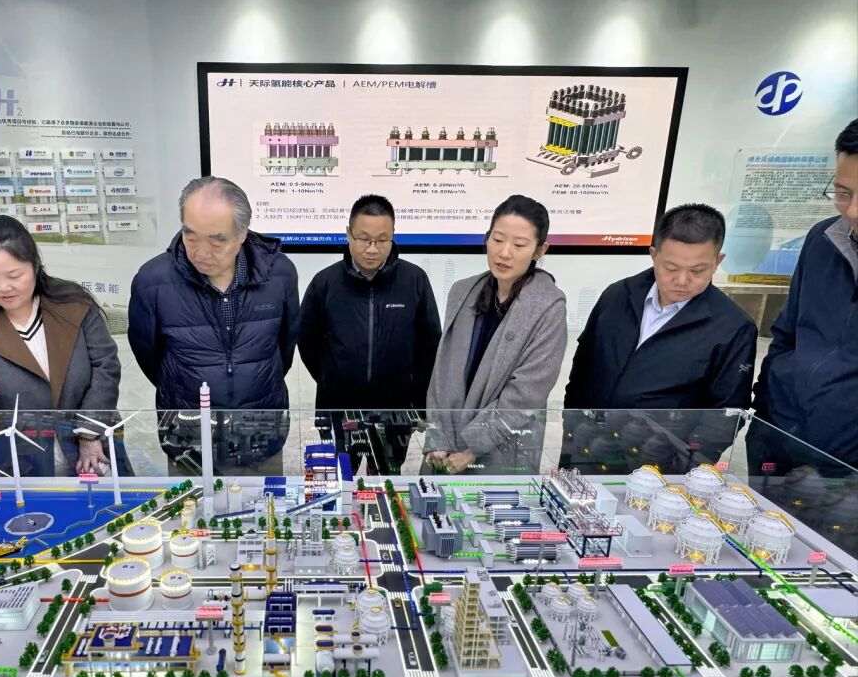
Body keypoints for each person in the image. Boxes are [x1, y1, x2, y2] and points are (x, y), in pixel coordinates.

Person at [563, 204, 758, 474]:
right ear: (654, 255)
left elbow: (723, 416)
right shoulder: (618, 296)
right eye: (671, 267)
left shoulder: (733, 327)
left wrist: (682, 470)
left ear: (718, 261)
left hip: (658, 464)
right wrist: (572, 431)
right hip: (587, 447)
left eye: (698, 270)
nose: (682, 280)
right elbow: (582, 369)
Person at [128, 176, 299, 473]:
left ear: (242, 233)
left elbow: (285, 344)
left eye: (217, 240)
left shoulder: (279, 274)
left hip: (261, 430)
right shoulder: (152, 282)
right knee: (190, 504)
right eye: (190, 236)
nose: (201, 252)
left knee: (265, 503)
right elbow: (149, 355)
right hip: (188, 439)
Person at [0, 214, 122, 476]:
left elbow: (106, 366)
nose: (3, 287)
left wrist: (90, 432)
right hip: (11, 459)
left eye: (15, 275)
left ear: (35, 265)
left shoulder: (72, 303)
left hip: (89, 448)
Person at [746, 119, 858, 547]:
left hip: (847, 473)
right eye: (843, 192)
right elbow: (787, 332)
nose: (851, 211)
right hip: (780, 440)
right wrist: (768, 405)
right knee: (758, 556)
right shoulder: (822, 239)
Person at [298, 194, 442, 473]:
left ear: (393, 237)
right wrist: (329, 378)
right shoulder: (325, 282)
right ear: (348, 234)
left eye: (382, 240)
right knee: (339, 477)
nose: (372, 249)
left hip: (395, 411)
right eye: (364, 239)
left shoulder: (414, 280)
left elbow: (430, 345)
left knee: (384, 480)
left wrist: (419, 402)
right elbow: (306, 340)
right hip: (338, 409)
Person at [425, 195, 567, 475]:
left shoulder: (549, 306)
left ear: (540, 250)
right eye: (498, 239)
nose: (504, 253)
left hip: (503, 447)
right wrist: (437, 439)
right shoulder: (462, 291)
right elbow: (441, 374)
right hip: (446, 448)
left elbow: (526, 393)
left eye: (519, 245)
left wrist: (471, 450)